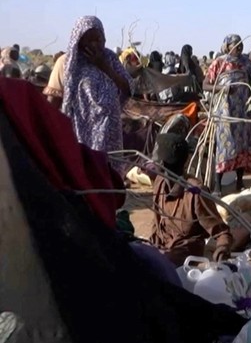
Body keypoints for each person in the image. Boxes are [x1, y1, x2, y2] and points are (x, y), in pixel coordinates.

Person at [44, 16, 132, 153]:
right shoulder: (65, 63)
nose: (95, 45)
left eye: (98, 39)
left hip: (109, 136)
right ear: (78, 39)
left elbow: (128, 87)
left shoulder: (110, 58)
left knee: (107, 171)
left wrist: (105, 67)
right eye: (89, 40)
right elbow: (53, 102)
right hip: (78, 136)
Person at [149, 133, 232, 266]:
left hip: (184, 256)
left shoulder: (195, 193)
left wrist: (222, 249)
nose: (152, 162)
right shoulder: (159, 182)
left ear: (162, 163)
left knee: (160, 265)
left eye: (155, 159)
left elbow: (221, 231)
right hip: (161, 249)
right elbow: (156, 224)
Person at [204, 34, 251, 193]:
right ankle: (217, 185)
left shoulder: (246, 63)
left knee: (242, 146)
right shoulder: (219, 63)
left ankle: (240, 182)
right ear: (227, 46)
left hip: (244, 112)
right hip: (225, 113)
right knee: (225, 146)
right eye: (235, 45)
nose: (239, 48)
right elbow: (206, 85)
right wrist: (223, 88)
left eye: (241, 45)